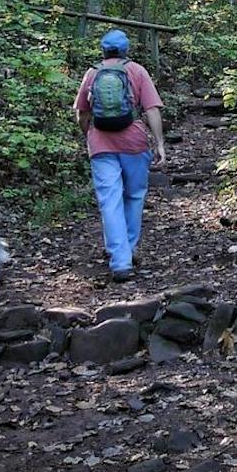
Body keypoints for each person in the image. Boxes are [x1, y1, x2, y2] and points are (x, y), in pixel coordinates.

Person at [73, 29, 166, 282]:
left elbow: (81, 113)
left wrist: (89, 136)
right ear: (125, 50)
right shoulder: (137, 71)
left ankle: (120, 260)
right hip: (134, 142)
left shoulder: (92, 73)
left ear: (103, 50)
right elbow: (152, 110)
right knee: (134, 196)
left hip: (101, 145)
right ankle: (130, 247)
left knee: (109, 201)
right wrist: (159, 144)